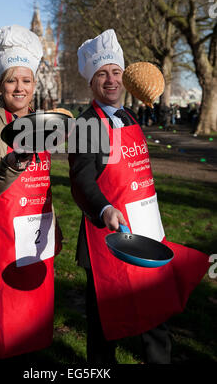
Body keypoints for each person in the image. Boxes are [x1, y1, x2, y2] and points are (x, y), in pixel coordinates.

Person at [68, 29, 209, 365]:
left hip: (146, 234)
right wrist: (104, 210)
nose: (111, 80)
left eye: (116, 72)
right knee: (105, 327)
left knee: (156, 319)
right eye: (102, 74)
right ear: (92, 82)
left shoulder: (131, 117)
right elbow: (80, 181)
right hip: (108, 239)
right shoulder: (87, 124)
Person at [0, 24, 62, 361]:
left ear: (35, 85)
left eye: (26, 80)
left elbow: (44, 184)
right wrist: (16, 159)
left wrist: (56, 227)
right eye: (11, 80)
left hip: (38, 236)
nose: (19, 88)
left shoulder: (44, 121)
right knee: (6, 326)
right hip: (5, 237)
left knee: (35, 324)